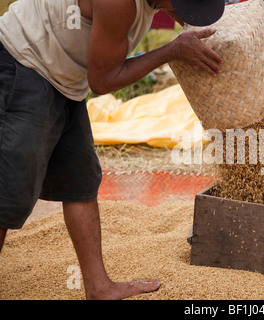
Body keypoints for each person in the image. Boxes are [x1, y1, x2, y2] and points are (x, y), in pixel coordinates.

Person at [0, 0, 225, 300]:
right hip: (24, 62)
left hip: (65, 79)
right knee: (8, 194)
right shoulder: (119, 4)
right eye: (179, 7)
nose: (179, 16)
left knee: (79, 183)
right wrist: (171, 51)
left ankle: (98, 287)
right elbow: (103, 80)